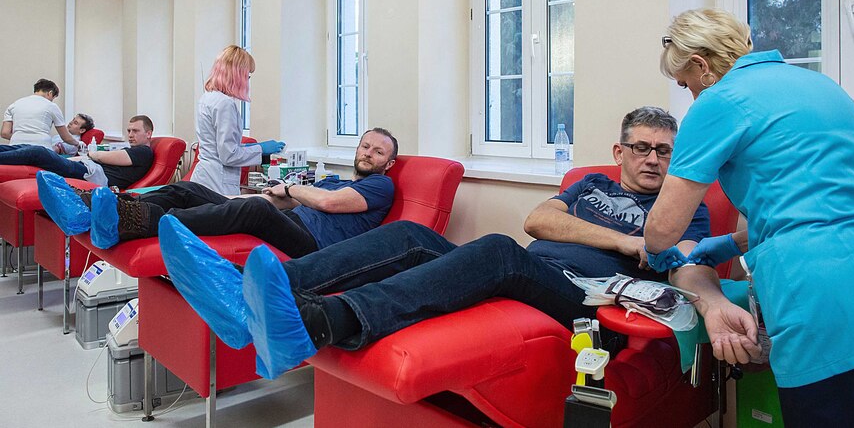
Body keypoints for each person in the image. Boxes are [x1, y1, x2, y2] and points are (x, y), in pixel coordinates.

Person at [158, 107, 711, 379]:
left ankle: (321, 322)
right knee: (409, 234)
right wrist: (624, 237)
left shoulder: (689, 208)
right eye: (641, 148)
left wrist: (690, 280)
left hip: (584, 308)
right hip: (532, 270)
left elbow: (687, 270)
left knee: (494, 249)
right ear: (620, 153)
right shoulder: (590, 184)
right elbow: (539, 220)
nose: (652, 159)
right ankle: (245, 298)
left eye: (664, 151)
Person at [643, 8, 854, 426]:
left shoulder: (719, 102)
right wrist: (732, 244)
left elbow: (664, 229)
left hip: (815, 289)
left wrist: (655, 251)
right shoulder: (823, 86)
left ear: (702, 67)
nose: (688, 92)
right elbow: (816, 201)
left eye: (685, 82)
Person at [44, 128, 398, 254]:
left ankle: (135, 220)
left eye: (377, 151)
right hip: (288, 218)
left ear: (388, 162)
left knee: (258, 211)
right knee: (188, 188)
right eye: (365, 146)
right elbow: (279, 199)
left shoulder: (381, 184)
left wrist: (286, 188)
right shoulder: (336, 179)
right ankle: (109, 206)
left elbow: (328, 203)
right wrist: (226, 200)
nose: (367, 153)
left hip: (313, 244)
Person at [191, 45, 285, 195]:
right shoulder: (224, 104)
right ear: (237, 74)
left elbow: (220, 146)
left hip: (205, 178)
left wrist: (250, 147)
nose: (248, 80)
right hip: (218, 183)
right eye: (247, 75)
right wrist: (261, 149)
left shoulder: (208, 98)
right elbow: (228, 155)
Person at [0, 115, 154, 188]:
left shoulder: (143, 152)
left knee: (37, 152)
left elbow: (100, 156)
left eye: (135, 131)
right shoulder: (132, 149)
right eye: (129, 130)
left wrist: (91, 155)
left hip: (92, 176)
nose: (131, 134)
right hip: (86, 168)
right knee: (26, 148)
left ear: (148, 134)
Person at [2, 79, 81, 150]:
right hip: (41, 149)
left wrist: (21, 138)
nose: (51, 101)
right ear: (50, 93)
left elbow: (4, 133)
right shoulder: (51, 106)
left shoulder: (14, 105)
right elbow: (66, 137)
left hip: (15, 148)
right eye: (52, 98)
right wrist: (78, 144)